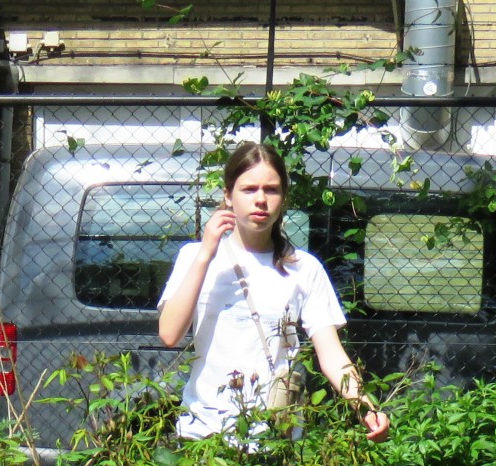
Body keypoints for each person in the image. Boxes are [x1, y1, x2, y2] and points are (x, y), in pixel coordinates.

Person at [157, 141, 389, 443]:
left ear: (284, 199)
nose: (261, 200)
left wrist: (366, 407)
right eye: (249, 189)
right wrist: (206, 254)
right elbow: (169, 334)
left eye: (271, 189)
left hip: (274, 436)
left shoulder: (303, 268)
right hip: (203, 433)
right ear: (228, 195)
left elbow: (331, 352)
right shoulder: (194, 257)